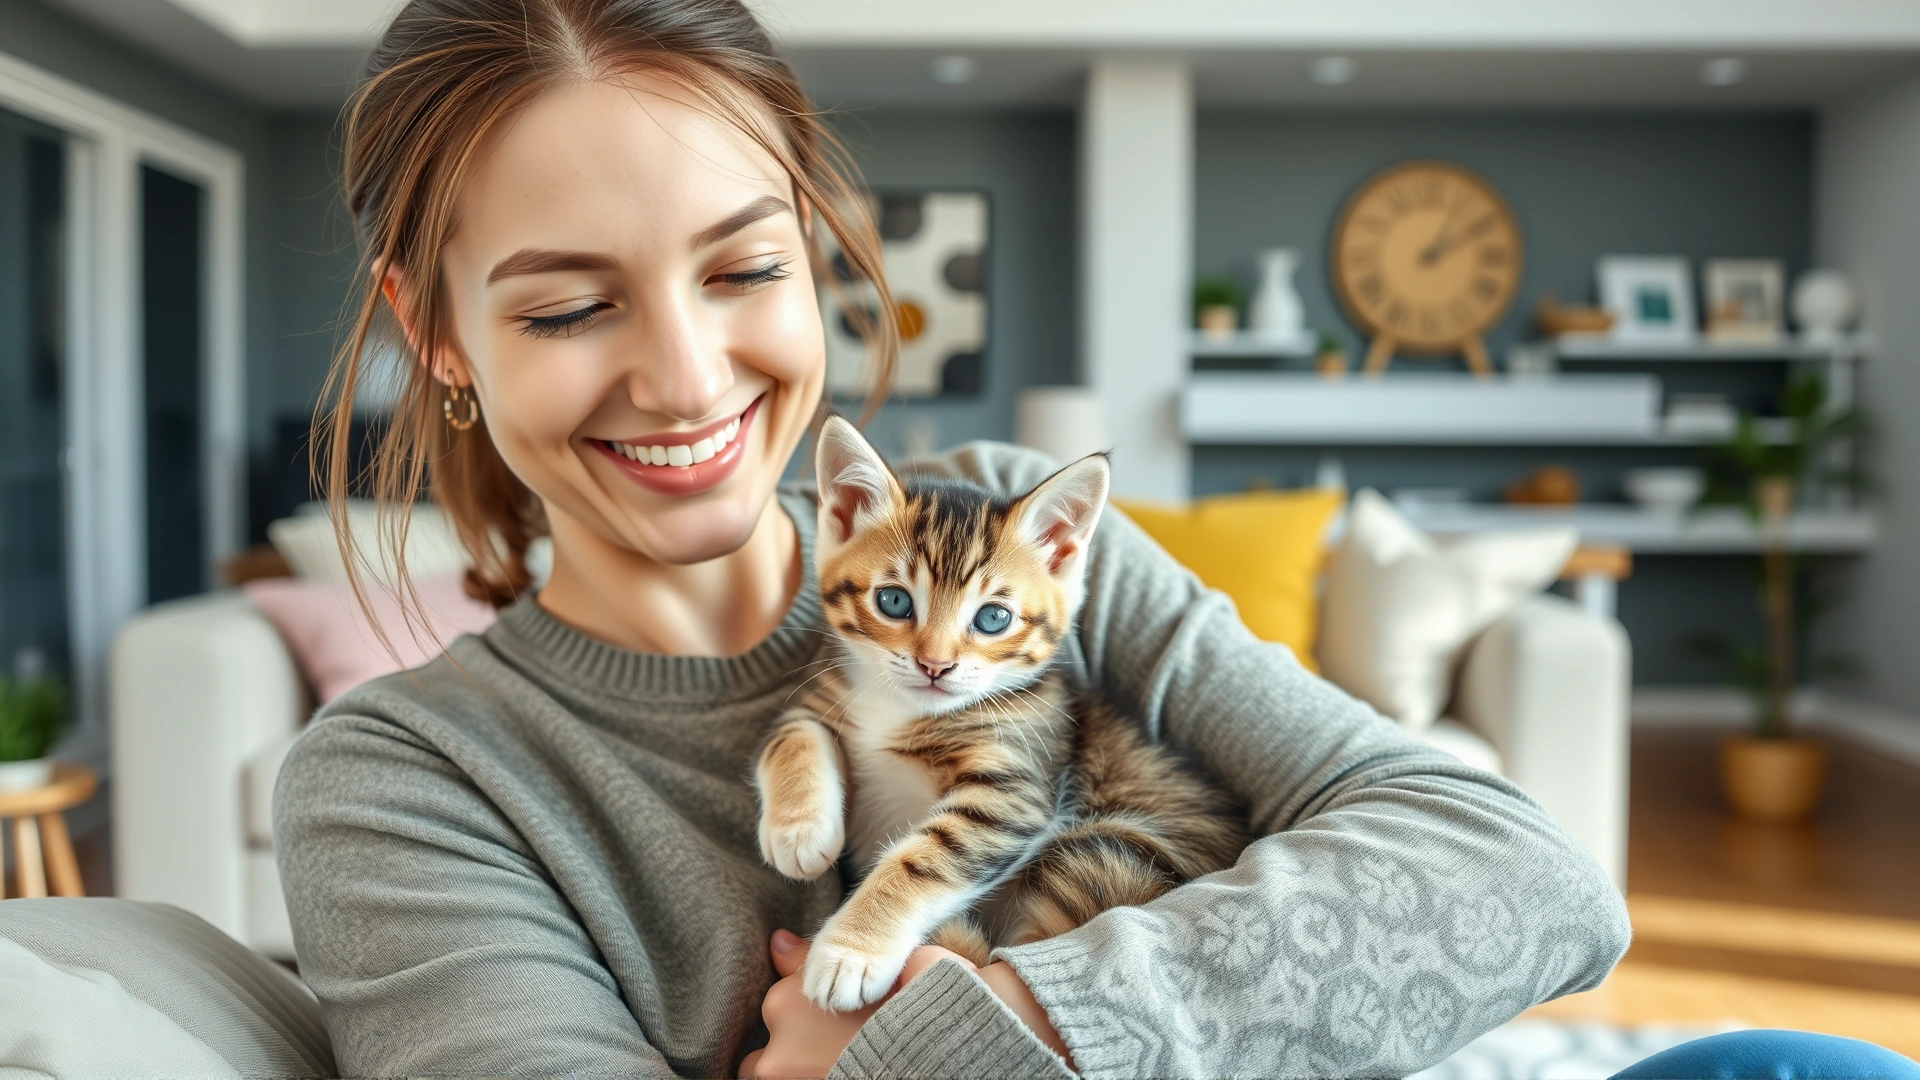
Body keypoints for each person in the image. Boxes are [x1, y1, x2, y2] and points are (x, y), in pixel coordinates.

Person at [270, 1, 1643, 1076]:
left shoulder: (1007, 521)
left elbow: (1530, 881)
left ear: (811, 247)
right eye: (570, 307)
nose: (688, 381)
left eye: (746, 268)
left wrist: (999, 1036)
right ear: (433, 329)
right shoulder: (401, 783)